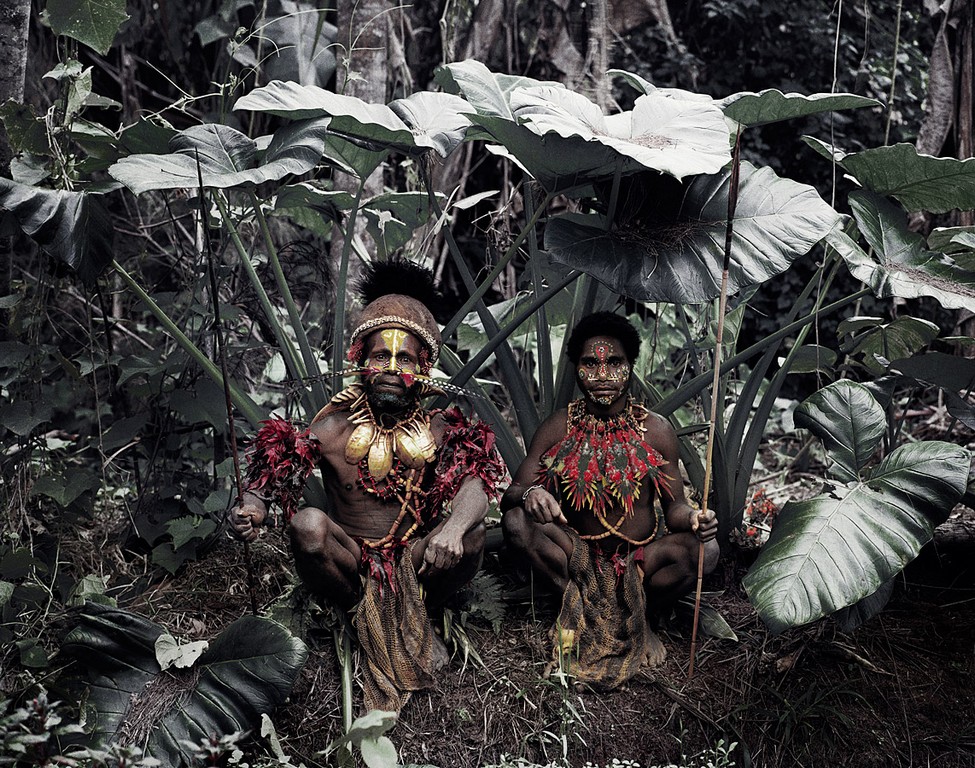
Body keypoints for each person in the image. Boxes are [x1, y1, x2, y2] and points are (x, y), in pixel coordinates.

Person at [231, 261, 505, 711]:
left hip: (418, 562)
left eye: (405, 359)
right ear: (361, 361)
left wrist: (453, 530)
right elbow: (273, 474)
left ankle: (417, 611)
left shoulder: (440, 429)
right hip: (353, 562)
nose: (392, 368)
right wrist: (253, 508)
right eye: (381, 356)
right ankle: (364, 612)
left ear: (425, 366)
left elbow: (476, 479)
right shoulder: (334, 427)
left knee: (472, 532)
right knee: (307, 524)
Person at [501, 311, 719, 689]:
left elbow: (676, 509)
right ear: (576, 368)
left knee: (707, 551)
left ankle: (640, 618)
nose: (602, 374)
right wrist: (533, 493)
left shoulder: (656, 430)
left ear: (630, 366)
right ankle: (580, 608)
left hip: (640, 561)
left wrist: (697, 519)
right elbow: (512, 495)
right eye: (590, 363)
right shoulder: (558, 427)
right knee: (517, 523)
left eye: (614, 362)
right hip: (576, 557)